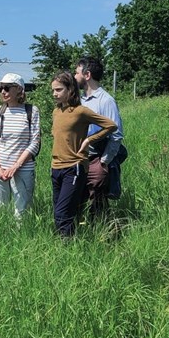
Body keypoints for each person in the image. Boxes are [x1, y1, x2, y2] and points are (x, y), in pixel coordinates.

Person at [49, 71, 117, 238]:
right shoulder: (56, 112)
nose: (54, 94)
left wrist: (89, 140)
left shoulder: (80, 111)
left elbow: (111, 126)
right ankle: (68, 243)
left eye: (58, 90)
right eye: (53, 90)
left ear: (70, 89)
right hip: (56, 167)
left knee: (62, 213)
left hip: (74, 167)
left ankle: (65, 247)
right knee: (60, 212)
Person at [74, 57, 124, 219]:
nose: (74, 77)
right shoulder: (79, 100)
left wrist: (104, 161)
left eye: (77, 73)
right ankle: (82, 232)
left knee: (98, 201)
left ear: (87, 75)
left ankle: (104, 234)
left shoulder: (106, 100)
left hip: (96, 158)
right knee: (79, 199)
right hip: (79, 158)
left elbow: (116, 135)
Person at [0, 72, 41, 218]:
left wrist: (16, 166)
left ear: (18, 89)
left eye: (7, 88)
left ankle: (23, 237)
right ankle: (2, 236)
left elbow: (35, 142)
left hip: (23, 168)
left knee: (22, 211)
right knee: (0, 209)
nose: (3, 92)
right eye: (0, 89)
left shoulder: (31, 111)